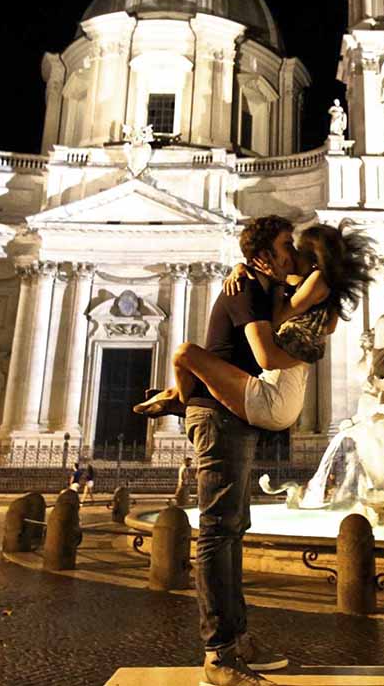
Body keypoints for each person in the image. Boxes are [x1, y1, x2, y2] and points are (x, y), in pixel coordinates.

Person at [136, 215, 308, 685]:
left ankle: (237, 637)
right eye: (284, 246)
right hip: (216, 415)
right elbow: (268, 355)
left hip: (231, 411)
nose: (290, 254)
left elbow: (305, 277)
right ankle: (219, 654)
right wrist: (307, 356)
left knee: (233, 526)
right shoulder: (248, 290)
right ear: (262, 257)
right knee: (216, 530)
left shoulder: (256, 283)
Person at [136, 221, 373, 433]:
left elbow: (277, 318)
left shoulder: (317, 281)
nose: (292, 253)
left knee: (184, 353)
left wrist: (272, 281)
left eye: (295, 247)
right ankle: (177, 396)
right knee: (187, 358)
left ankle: (179, 397)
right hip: (283, 396)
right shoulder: (311, 285)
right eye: (289, 246)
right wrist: (242, 267)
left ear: (313, 255)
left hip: (275, 397)